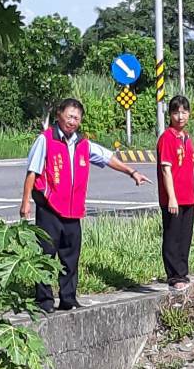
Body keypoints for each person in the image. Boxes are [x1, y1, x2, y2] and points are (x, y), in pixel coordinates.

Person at [20, 97, 148, 312]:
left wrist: (132, 172)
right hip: (49, 208)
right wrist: (25, 202)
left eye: (77, 118)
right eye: (69, 116)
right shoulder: (46, 139)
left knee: (70, 257)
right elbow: (32, 171)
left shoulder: (83, 144)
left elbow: (108, 158)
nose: (72, 121)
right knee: (45, 255)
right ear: (59, 115)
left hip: (73, 210)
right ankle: (44, 301)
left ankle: (68, 298)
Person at [157, 94, 194, 291]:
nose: (180, 116)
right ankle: (174, 276)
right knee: (173, 236)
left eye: (184, 112)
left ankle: (183, 272)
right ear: (170, 115)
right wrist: (171, 197)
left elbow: (190, 169)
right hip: (173, 198)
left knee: (185, 236)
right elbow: (166, 169)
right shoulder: (167, 138)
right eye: (176, 112)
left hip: (188, 196)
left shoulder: (187, 138)